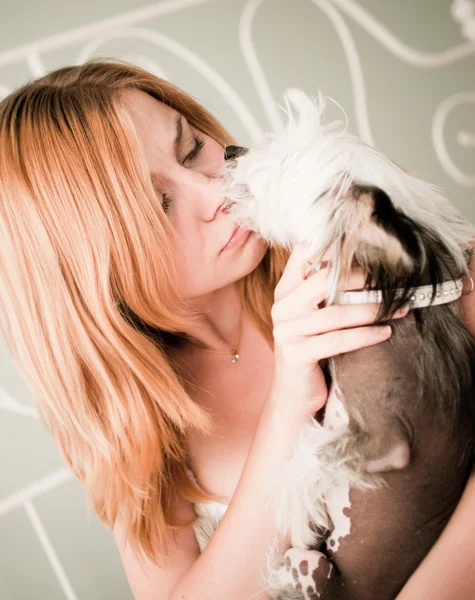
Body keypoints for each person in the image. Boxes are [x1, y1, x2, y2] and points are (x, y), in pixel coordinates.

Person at [0, 58, 473, 600]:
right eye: (160, 206)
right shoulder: (132, 429)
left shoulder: (339, 231)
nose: (215, 193)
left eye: (192, 148)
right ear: (90, 274)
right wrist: (287, 404)